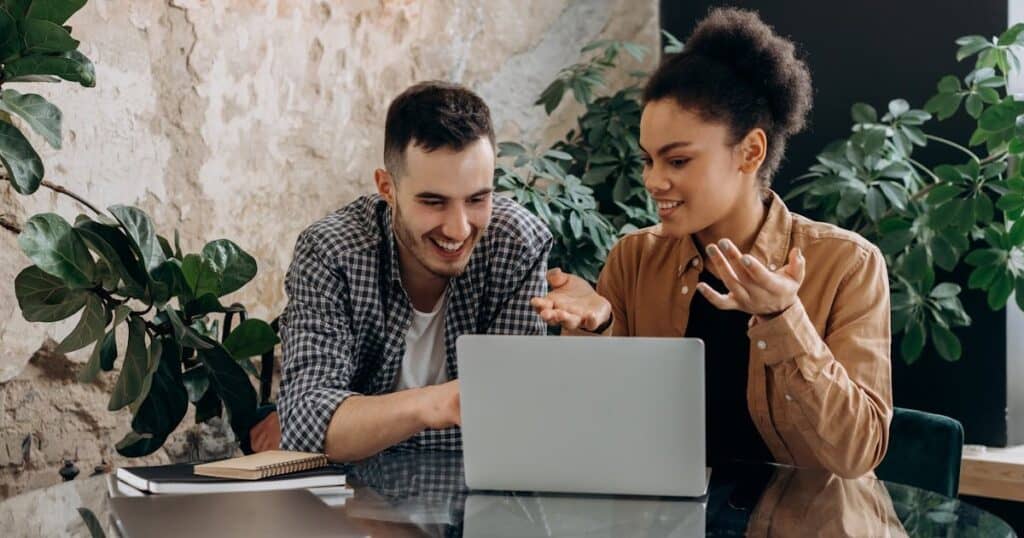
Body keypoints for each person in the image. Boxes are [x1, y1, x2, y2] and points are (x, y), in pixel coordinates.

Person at [531, 8, 892, 478]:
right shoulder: (634, 259)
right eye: (648, 160)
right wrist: (598, 327)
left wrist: (784, 319)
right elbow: (593, 432)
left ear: (751, 151)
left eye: (677, 161)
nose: (653, 181)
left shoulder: (847, 265)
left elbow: (856, 455)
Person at [267, 81, 552, 461]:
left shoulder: (517, 244)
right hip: (352, 509)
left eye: (477, 199)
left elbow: (513, 424)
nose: (459, 228)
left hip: (483, 505)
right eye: (433, 202)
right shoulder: (332, 252)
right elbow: (305, 426)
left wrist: (361, 422)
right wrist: (437, 404)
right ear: (387, 187)